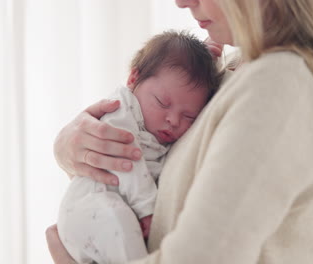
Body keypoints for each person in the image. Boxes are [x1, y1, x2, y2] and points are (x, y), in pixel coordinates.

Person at [47, 0, 313, 263]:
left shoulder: (279, 83)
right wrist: (68, 150)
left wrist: (65, 255)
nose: (181, 2)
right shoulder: (230, 71)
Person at [55, 31, 221, 264]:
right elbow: (126, 162)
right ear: (133, 79)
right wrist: (147, 210)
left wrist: (206, 59)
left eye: (189, 116)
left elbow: (184, 85)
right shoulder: (120, 110)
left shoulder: (157, 131)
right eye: (162, 103)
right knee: (117, 219)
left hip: (103, 222)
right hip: (89, 206)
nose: (174, 120)